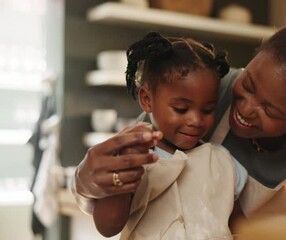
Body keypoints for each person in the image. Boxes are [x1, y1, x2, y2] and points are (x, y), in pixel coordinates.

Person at [73, 21, 286, 233]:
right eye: (249, 84)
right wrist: (89, 180)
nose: (246, 108)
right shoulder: (208, 88)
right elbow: (111, 192)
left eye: (270, 110)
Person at [89, 32, 248, 239]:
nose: (196, 120)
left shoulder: (223, 163)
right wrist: (124, 171)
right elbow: (107, 226)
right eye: (181, 109)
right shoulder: (136, 159)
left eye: (208, 110)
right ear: (147, 99)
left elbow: (242, 228)